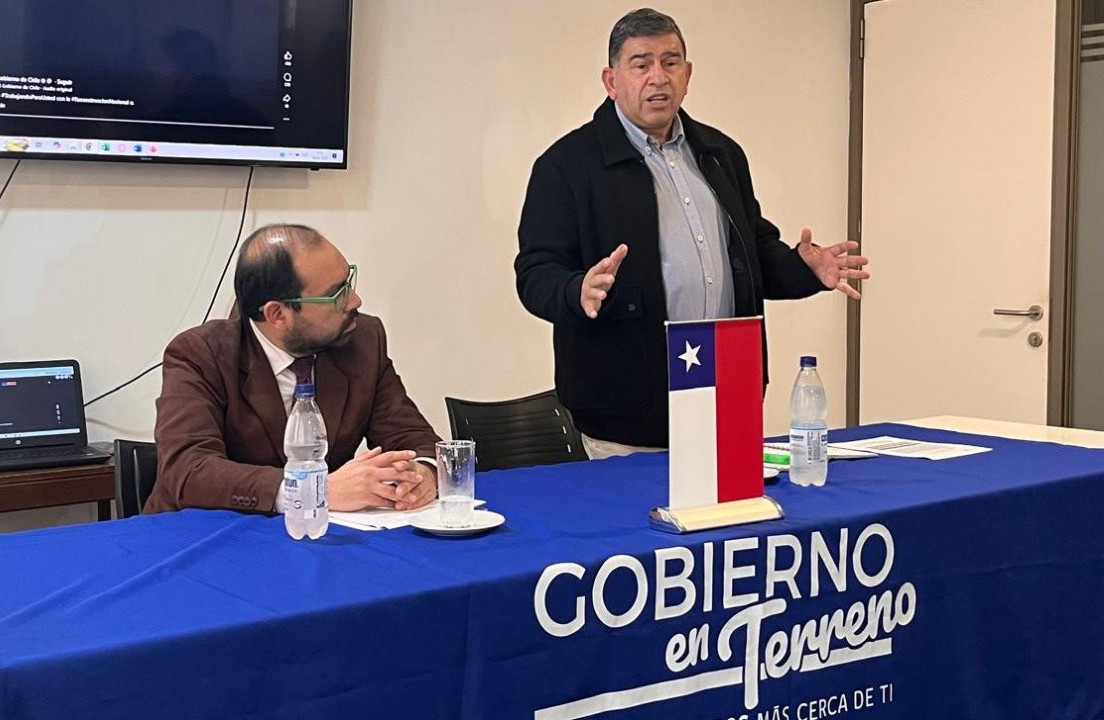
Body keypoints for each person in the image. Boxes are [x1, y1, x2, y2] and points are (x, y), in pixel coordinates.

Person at [514, 8, 869, 456]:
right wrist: (575, 290)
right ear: (611, 80)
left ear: (688, 74)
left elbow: (753, 252)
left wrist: (804, 268)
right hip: (626, 413)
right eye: (641, 64)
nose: (658, 77)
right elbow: (535, 272)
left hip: (727, 393)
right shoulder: (567, 165)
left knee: (737, 504)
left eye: (670, 62)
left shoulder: (720, 154)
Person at [144, 223, 440, 515]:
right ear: (277, 314)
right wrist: (312, 490)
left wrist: (422, 474)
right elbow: (189, 470)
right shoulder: (200, 354)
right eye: (336, 294)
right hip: (201, 534)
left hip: (318, 533)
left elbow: (412, 437)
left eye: (349, 281)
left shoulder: (362, 340)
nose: (354, 300)